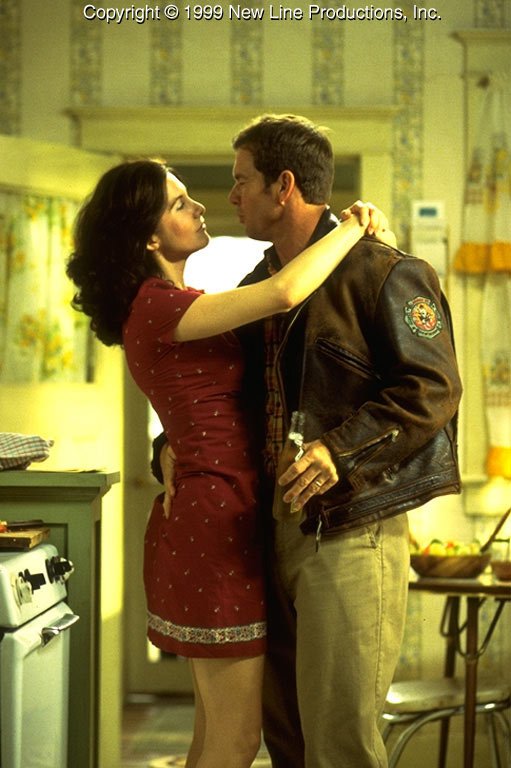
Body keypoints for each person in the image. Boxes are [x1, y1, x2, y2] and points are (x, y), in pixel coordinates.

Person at [153, 114, 462, 768]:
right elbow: (219, 398)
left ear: (283, 186)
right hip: (266, 530)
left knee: (340, 746)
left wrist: (336, 451)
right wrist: (168, 447)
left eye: (242, 181)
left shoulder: (383, 272)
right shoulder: (258, 287)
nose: (230, 196)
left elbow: (432, 389)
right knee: (287, 740)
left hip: (351, 529)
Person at [65, 158, 386, 768]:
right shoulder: (156, 304)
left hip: (215, 511)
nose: (199, 207)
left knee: (212, 733)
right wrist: (353, 225)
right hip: (213, 523)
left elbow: (203, 404)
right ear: (148, 237)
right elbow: (284, 292)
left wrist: (167, 449)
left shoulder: (175, 301)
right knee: (236, 739)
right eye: (178, 203)